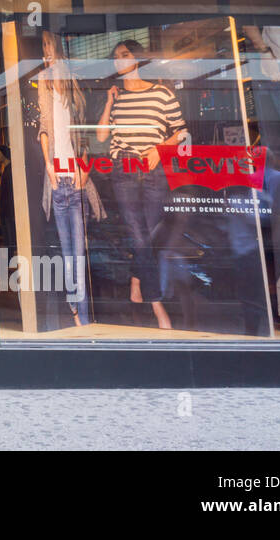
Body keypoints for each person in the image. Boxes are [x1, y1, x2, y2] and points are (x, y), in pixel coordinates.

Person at [96, 39, 186, 332]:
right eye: (115, 57)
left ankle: (136, 281)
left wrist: (160, 149)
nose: (119, 60)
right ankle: (157, 304)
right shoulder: (117, 97)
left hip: (154, 167)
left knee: (148, 233)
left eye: (125, 54)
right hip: (124, 166)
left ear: (138, 58)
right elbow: (99, 137)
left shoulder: (161, 93)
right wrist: (110, 101)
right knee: (139, 234)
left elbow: (181, 131)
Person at [36, 31, 92, 327]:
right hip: (58, 179)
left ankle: (82, 314)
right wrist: (48, 165)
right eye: (43, 46)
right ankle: (76, 312)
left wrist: (85, 170)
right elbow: (44, 129)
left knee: (80, 252)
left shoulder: (74, 89)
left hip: (76, 177)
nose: (45, 50)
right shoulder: (43, 87)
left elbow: (85, 135)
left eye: (47, 45)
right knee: (68, 252)